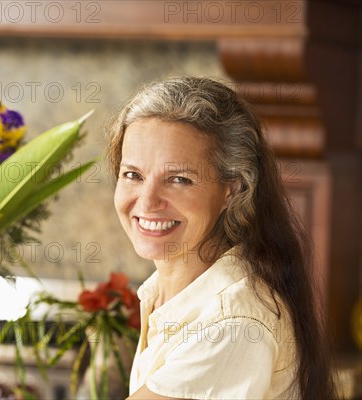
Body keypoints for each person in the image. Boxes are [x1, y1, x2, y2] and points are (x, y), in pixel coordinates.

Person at [106, 77, 335, 399]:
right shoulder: (167, 291)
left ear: (232, 189)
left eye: (179, 179)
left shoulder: (229, 323)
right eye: (133, 175)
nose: (146, 202)